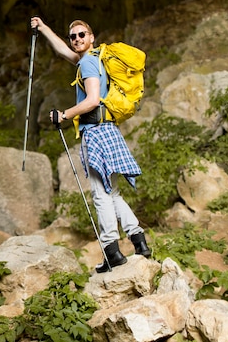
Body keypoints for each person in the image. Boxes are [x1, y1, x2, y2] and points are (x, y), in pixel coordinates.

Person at [30, 16, 151, 273]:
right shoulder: (94, 59)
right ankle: (139, 242)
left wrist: (65, 114)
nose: (76, 40)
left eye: (81, 35)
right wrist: (43, 28)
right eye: (73, 36)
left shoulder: (87, 63)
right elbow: (63, 51)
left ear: (91, 37)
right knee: (113, 193)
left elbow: (93, 100)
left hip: (95, 132)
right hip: (108, 131)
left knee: (100, 195)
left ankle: (112, 252)